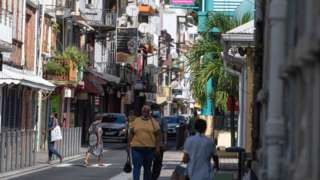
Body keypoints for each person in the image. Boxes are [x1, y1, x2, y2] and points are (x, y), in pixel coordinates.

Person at [128, 105, 161, 180]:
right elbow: (131, 133)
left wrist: (157, 147)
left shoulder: (154, 121)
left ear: (150, 112)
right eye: (144, 111)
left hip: (149, 149)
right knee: (136, 168)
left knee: (147, 169)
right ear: (141, 112)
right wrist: (128, 144)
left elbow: (158, 135)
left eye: (147, 111)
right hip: (137, 149)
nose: (145, 112)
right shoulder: (136, 120)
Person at [151, 110, 168, 180]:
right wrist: (165, 142)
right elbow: (165, 132)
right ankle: (153, 177)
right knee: (157, 163)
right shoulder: (150, 119)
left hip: (154, 144)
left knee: (156, 163)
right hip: (154, 145)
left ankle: (153, 177)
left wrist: (165, 142)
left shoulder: (150, 119)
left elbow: (164, 132)